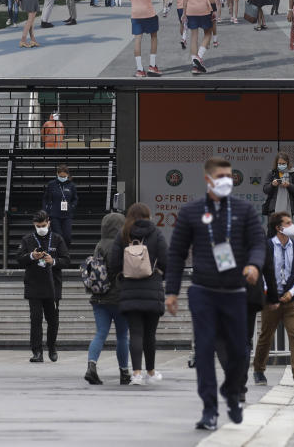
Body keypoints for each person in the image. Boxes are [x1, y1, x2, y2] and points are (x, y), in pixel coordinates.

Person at [164, 157, 266, 431]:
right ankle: (209, 409)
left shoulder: (244, 210)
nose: (226, 180)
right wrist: (171, 292)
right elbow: (175, 254)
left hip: (235, 292)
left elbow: (258, 242)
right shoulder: (191, 212)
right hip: (203, 292)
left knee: (239, 352)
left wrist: (254, 265)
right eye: (221, 175)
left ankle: (233, 393)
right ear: (208, 179)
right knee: (205, 351)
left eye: (229, 175)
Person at [108, 202, 168, 385]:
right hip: (152, 288)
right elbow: (166, 260)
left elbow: (113, 263)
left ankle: (136, 374)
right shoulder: (157, 234)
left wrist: (121, 277)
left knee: (135, 333)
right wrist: (160, 275)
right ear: (148, 215)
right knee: (150, 334)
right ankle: (150, 372)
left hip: (130, 290)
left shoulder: (123, 234)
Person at [253, 212, 294, 389]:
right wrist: (269, 294)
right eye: (288, 222)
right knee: (266, 335)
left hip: (291, 300)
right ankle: (259, 369)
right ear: (278, 227)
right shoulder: (267, 246)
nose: (292, 225)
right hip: (271, 299)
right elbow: (260, 273)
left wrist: (292, 292)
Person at [15, 210, 70, 363]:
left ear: (49, 222)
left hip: (53, 285)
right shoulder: (27, 239)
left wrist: (53, 261)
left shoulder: (57, 239)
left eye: (43, 225)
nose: (41, 228)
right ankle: (37, 351)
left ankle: (52, 346)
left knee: (53, 320)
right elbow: (19, 258)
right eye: (38, 226)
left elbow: (66, 260)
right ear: (34, 225)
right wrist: (32, 256)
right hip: (34, 285)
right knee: (36, 319)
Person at [83, 212, 131, 386]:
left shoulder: (99, 245)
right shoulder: (124, 245)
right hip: (120, 298)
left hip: (99, 298)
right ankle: (124, 372)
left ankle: (91, 366)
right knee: (122, 337)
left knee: (100, 333)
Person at [125, 0, 162, 78]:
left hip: (135, 12)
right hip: (148, 12)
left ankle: (140, 69)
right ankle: (152, 65)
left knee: (137, 39)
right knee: (153, 37)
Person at [180, 0, 217, 75]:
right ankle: (199, 56)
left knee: (193, 37)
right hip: (204, 8)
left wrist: (184, 13)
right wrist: (214, 8)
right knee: (208, 32)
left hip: (191, 9)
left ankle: (194, 65)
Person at [42, 164, 77, 250]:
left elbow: (75, 198)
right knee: (58, 235)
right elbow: (45, 198)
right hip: (54, 214)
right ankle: (59, 253)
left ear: (67, 175)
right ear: (57, 174)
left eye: (64, 176)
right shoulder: (51, 184)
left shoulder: (71, 185)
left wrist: (72, 207)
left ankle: (65, 251)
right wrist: (46, 210)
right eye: (61, 176)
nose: (62, 177)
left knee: (67, 236)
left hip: (67, 215)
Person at [261, 152, 294, 219]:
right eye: (279, 164)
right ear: (276, 163)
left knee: (286, 229)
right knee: (273, 229)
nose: (281, 165)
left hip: (288, 208)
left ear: (287, 163)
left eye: (283, 164)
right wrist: (272, 184)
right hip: (273, 209)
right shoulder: (272, 173)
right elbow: (265, 189)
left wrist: (289, 185)